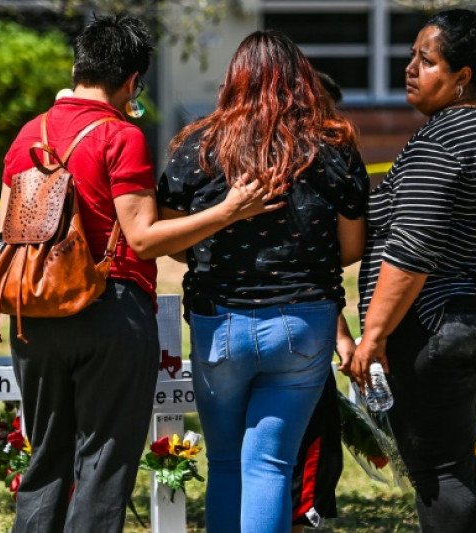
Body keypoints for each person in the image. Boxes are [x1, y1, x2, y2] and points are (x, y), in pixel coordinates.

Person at [0, 15, 277, 533]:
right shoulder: (119, 136)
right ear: (132, 82)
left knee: (46, 458)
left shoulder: (26, 135)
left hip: (30, 312)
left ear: (78, 65)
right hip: (111, 311)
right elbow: (144, 237)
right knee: (104, 461)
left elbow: (5, 237)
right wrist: (230, 211)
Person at [156, 30, 369, 533]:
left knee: (227, 462)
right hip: (305, 320)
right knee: (270, 465)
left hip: (220, 320)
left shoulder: (198, 146)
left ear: (234, 79)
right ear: (303, 80)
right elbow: (354, 247)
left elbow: (172, 240)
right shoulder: (333, 144)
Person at [345, 9, 476, 533]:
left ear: (462, 77)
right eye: (412, 57)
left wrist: (373, 337)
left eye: (426, 61)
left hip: (437, 327)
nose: (410, 69)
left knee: (438, 474)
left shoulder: (442, 141)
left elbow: (413, 248)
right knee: (457, 465)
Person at [289, 71, 347, 533]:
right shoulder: (319, 165)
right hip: (294, 334)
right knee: (308, 458)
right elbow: (340, 253)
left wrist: (342, 332)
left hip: (228, 325)